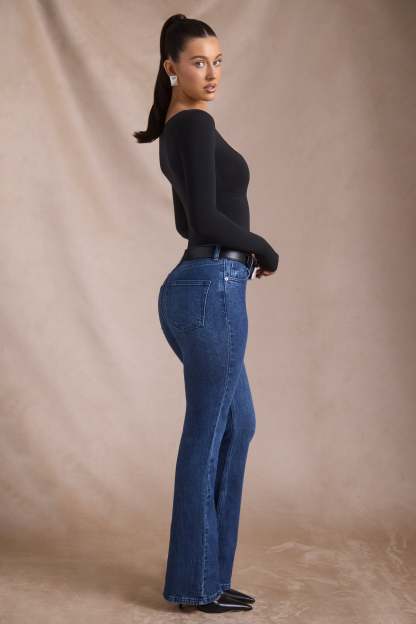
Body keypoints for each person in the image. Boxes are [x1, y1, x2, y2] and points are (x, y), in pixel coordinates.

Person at [133, 13, 279, 614]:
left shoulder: (177, 127)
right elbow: (202, 222)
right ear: (172, 67)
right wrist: (261, 246)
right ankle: (195, 585)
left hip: (200, 285)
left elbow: (184, 222)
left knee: (236, 426)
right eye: (198, 62)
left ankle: (209, 575)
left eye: (218, 62)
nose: (211, 74)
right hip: (213, 286)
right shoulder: (193, 123)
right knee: (210, 431)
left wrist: (237, 247)